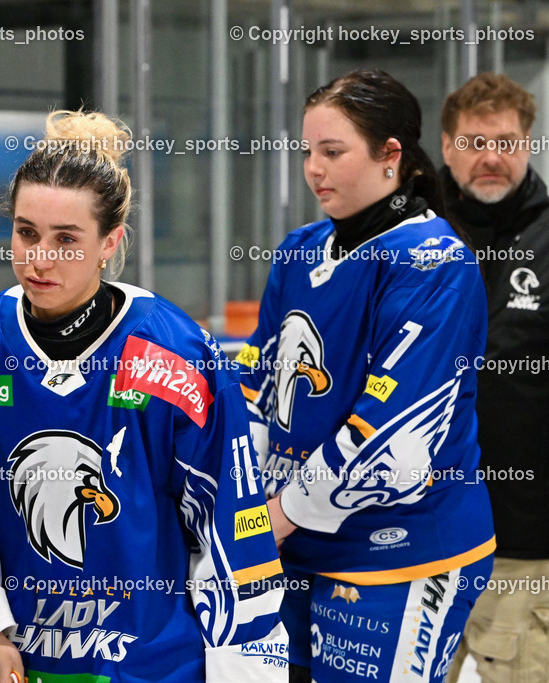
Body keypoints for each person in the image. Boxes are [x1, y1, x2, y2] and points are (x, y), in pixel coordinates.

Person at [0, 109, 288, 683]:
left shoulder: (175, 354)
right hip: (26, 664)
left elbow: (230, 523)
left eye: (66, 239)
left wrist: (247, 672)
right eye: (26, 232)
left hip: (157, 669)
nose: (39, 259)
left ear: (109, 242)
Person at [237, 69, 496, 682]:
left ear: (390, 156)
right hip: (294, 543)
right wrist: (237, 506)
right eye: (307, 152)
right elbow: (256, 386)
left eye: (333, 151)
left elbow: (395, 435)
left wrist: (272, 517)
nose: (314, 169)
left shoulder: (433, 263)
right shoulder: (300, 250)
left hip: (403, 550)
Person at [440, 73, 549, 683]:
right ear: (449, 146)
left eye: (506, 142)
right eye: (475, 142)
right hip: (418, 532)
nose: (491, 158)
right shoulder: (414, 240)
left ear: (528, 143)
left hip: (526, 542)